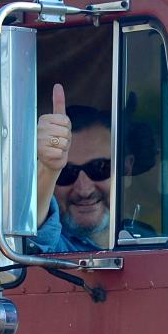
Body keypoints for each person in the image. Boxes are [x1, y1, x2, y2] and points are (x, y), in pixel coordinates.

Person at [30, 84, 116, 253]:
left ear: (125, 168)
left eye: (99, 168)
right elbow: (33, 239)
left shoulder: (149, 238)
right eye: (66, 173)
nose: (84, 190)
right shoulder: (54, 250)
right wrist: (48, 169)